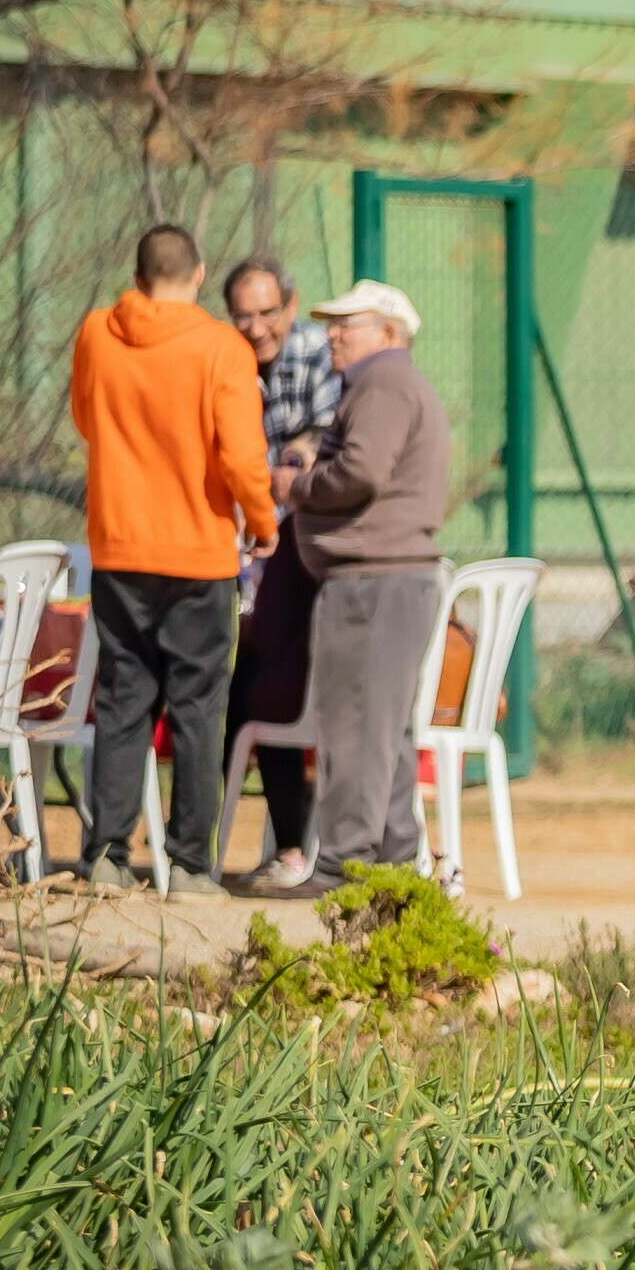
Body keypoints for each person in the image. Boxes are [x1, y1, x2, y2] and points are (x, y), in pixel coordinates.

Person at [65, 226, 275, 893]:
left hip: (119, 549)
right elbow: (242, 456)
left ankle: (105, 856)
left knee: (124, 701)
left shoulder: (98, 332)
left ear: (137, 272)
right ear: (199, 273)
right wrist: (263, 522)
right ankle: (188, 864)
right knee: (197, 710)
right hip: (199, 556)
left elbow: (85, 418)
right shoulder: (222, 347)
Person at [269, 280, 451, 893]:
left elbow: (362, 471)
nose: (333, 335)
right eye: (331, 324)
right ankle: (398, 871)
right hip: (387, 579)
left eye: (349, 324)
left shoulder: (384, 383)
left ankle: (343, 867)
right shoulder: (386, 385)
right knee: (384, 733)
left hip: (375, 581)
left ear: (390, 335)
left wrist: (297, 488)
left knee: (353, 729)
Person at [221, 255, 340, 891]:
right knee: (237, 687)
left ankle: (299, 846)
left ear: (290, 309)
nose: (256, 325)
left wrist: (289, 465)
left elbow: (327, 431)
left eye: (267, 312)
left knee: (273, 683)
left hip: (306, 557)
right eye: (243, 313)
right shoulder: (225, 360)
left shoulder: (319, 353)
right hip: (244, 559)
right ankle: (198, 851)